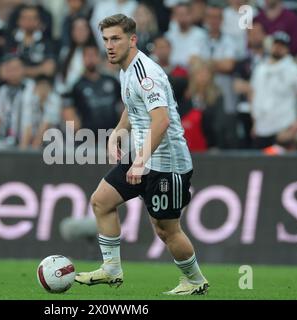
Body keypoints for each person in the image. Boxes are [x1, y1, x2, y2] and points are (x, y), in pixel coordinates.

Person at [74, 14, 209, 295]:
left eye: (116, 39)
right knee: (101, 201)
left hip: (167, 164)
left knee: (166, 230)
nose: (109, 46)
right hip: (145, 158)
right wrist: (118, 131)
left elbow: (161, 121)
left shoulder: (144, 74)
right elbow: (133, 106)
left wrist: (139, 161)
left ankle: (195, 281)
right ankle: (111, 268)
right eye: (106, 40)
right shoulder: (126, 70)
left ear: (132, 40)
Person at [250, 31, 297, 149]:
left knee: (284, 166)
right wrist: (254, 122)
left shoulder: (293, 70)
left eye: (282, 45)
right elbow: (254, 94)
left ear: (287, 49)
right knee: (261, 166)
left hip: (283, 129)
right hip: (261, 129)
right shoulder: (260, 68)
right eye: (276, 44)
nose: (278, 48)